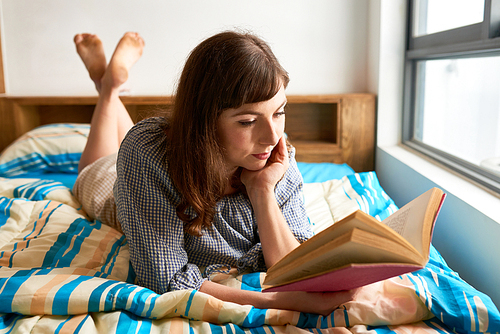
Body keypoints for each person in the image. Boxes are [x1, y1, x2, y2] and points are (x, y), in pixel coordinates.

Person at [72, 31, 357, 316]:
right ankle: (108, 88)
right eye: (247, 121)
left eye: (279, 112)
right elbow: (166, 279)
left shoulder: (276, 157)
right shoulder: (146, 153)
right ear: (204, 120)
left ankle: (107, 85)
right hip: (111, 185)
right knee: (95, 165)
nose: (271, 136)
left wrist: (262, 191)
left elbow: (296, 265)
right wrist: (276, 302)